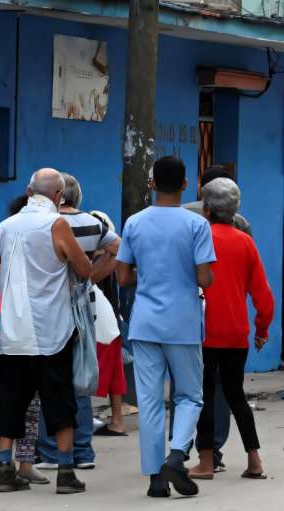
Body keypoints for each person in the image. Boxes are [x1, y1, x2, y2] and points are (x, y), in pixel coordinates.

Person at [0, 168, 92, 495]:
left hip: (13, 332)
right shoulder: (56, 225)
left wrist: (4, 263)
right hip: (51, 333)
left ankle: (5, 469)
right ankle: (65, 472)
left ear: (28, 190)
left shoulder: (7, 227)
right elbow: (83, 268)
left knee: (9, 401)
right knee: (60, 402)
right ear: (59, 197)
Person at [116, 156, 215, 498]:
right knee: (189, 395)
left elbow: (124, 276)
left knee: (150, 400)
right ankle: (177, 455)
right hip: (183, 323)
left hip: (145, 322)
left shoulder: (134, 223)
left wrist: (149, 276)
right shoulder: (197, 225)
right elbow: (205, 277)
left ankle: (155, 478)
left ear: (152, 184)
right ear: (187, 185)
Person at [188, 178, 273, 480]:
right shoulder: (245, 241)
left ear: (207, 208)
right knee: (236, 395)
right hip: (238, 333)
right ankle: (254, 459)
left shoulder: (199, 236)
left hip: (205, 330)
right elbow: (263, 295)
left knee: (206, 395)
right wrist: (261, 328)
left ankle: (206, 461)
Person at [35, 173, 120, 470]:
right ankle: (83, 450)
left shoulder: (47, 223)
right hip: (84, 309)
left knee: (50, 382)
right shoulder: (92, 223)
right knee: (80, 380)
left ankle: (51, 450)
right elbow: (117, 248)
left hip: (51, 311)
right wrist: (91, 278)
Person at [179, 165, 253, 471]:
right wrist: (260, 328)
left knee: (190, 388)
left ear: (200, 188)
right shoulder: (241, 227)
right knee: (225, 391)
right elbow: (252, 278)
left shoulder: (182, 216)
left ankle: (181, 448)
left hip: (191, 317)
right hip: (233, 322)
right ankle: (218, 453)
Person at [0, 195, 49, 486]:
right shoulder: (1, 248)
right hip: (0, 329)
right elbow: (8, 285)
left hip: (32, 331)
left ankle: (26, 463)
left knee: (32, 402)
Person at [90, 210, 129, 437]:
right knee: (115, 374)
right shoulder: (111, 258)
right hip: (111, 323)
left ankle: (82, 424)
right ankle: (117, 420)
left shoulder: (98, 260)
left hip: (98, 324)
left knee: (85, 374)